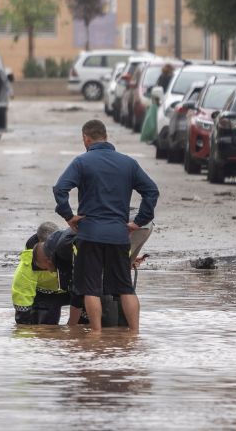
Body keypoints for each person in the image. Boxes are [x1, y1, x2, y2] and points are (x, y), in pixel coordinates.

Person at [53, 119, 158, 334]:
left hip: (89, 234)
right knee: (125, 288)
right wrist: (138, 221)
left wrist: (69, 217)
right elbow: (151, 191)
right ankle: (135, 334)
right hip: (119, 236)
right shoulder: (128, 163)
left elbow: (60, 189)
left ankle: (97, 334)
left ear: (86, 139)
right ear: (106, 137)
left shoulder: (82, 162)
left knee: (91, 288)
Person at [16, 221, 72, 325]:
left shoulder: (70, 249)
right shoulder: (28, 263)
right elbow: (22, 294)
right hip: (45, 296)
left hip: (72, 291)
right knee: (44, 326)